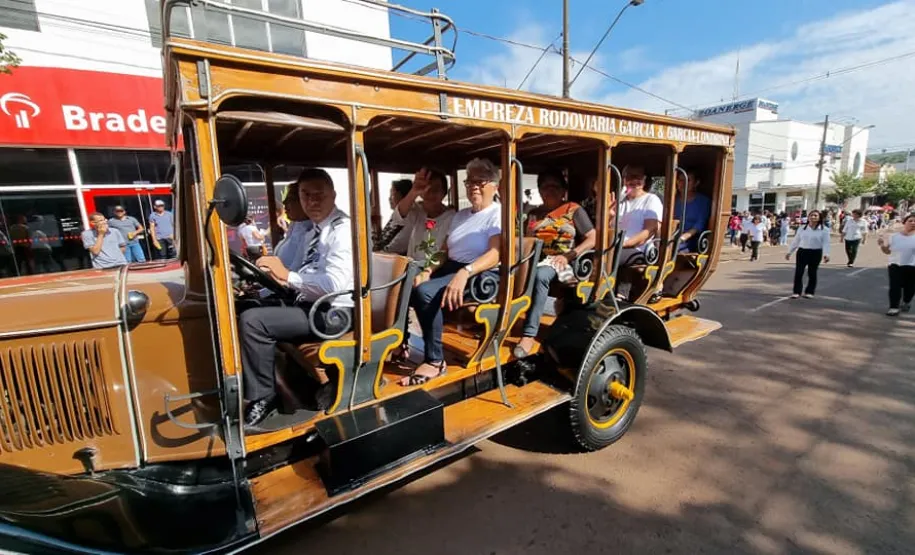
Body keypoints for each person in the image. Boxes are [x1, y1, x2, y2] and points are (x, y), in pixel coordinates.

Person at [239, 169, 354, 428]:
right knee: (247, 305)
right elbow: (302, 272)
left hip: (335, 313)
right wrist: (275, 281)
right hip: (311, 304)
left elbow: (333, 285)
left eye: (319, 195)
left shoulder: (343, 230)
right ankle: (272, 381)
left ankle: (262, 398)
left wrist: (286, 275)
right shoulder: (314, 230)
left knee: (253, 321)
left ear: (333, 196)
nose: (312, 201)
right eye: (305, 195)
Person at [405, 158, 502, 386]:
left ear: (494, 186)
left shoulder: (498, 213)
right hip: (454, 268)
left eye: (480, 181)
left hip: (481, 275)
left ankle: (435, 361)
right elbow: (444, 251)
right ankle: (402, 344)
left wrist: (465, 273)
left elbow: (496, 254)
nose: (473, 187)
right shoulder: (461, 215)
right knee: (407, 285)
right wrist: (428, 269)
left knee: (426, 293)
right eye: (470, 182)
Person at [515, 169, 596, 357]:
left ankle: (529, 333)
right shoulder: (534, 213)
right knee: (512, 271)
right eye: (545, 186)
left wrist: (569, 255)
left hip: (567, 261)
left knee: (541, 275)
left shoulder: (573, 209)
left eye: (554, 186)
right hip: (537, 260)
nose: (549, 190)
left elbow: (592, 238)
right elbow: (527, 241)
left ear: (563, 191)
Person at [613, 165, 663, 263]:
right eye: (630, 177)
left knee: (607, 259)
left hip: (639, 250)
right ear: (623, 180)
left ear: (644, 180)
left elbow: (650, 230)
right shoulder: (619, 201)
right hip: (616, 247)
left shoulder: (651, 199)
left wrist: (624, 244)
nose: (634, 180)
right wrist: (609, 215)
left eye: (638, 177)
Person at [785, 210, 830, 299]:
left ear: (819, 218)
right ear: (808, 217)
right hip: (802, 252)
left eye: (815, 216)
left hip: (816, 252)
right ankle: (796, 291)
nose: (813, 217)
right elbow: (796, 241)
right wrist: (789, 252)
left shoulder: (824, 230)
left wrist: (826, 254)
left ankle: (809, 291)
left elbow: (826, 243)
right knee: (799, 272)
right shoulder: (802, 228)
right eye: (811, 215)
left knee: (812, 273)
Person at [878, 213, 915, 316]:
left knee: (910, 288)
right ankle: (893, 307)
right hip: (895, 264)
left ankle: (906, 301)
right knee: (895, 286)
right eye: (910, 221)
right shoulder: (894, 237)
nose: (913, 223)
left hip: (912, 266)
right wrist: (882, 245)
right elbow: (887, 251)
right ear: (904, 222)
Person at [672, 168, 711, 252]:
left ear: (696, 183)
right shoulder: (672, 200)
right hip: (672, 236)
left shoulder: (703, 201)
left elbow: (699, 224)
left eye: (687, 180)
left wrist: (683, 237)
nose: (683, 183)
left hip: (691, 239)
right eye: (680, 180)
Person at [374, 178, 413, 253]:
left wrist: (378, 254)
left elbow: (397, 246)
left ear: (403, 196)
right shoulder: (395, 216)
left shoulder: (411, 217)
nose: (389, 198)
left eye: (392, 195)